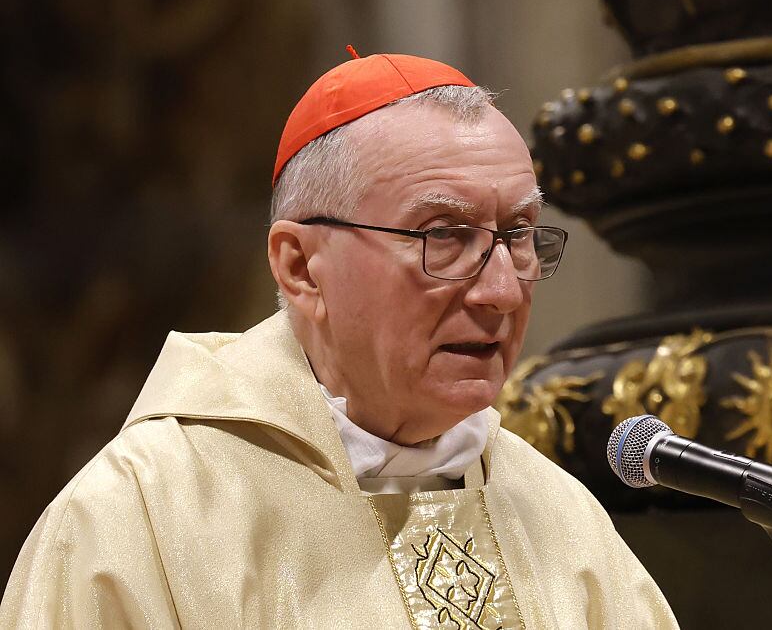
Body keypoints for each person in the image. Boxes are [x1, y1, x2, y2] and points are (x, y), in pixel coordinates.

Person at [1, 50, 678, 628]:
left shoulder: (565, 520)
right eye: (443, 235)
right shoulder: (137, 519)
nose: (501, 290)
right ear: (301, 267)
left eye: (519, 235)